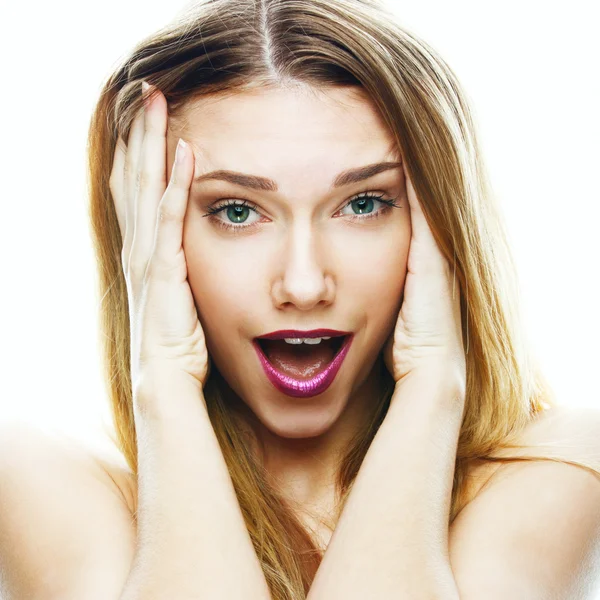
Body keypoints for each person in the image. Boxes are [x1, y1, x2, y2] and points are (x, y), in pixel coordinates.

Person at [2, 0, 599, 598]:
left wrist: (434, 382)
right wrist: (161, 376)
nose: (305, 285)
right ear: (144, 229)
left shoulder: (565, 467)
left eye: (364, 204)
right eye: (237, 212)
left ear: (443, 224)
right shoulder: (44, 483)